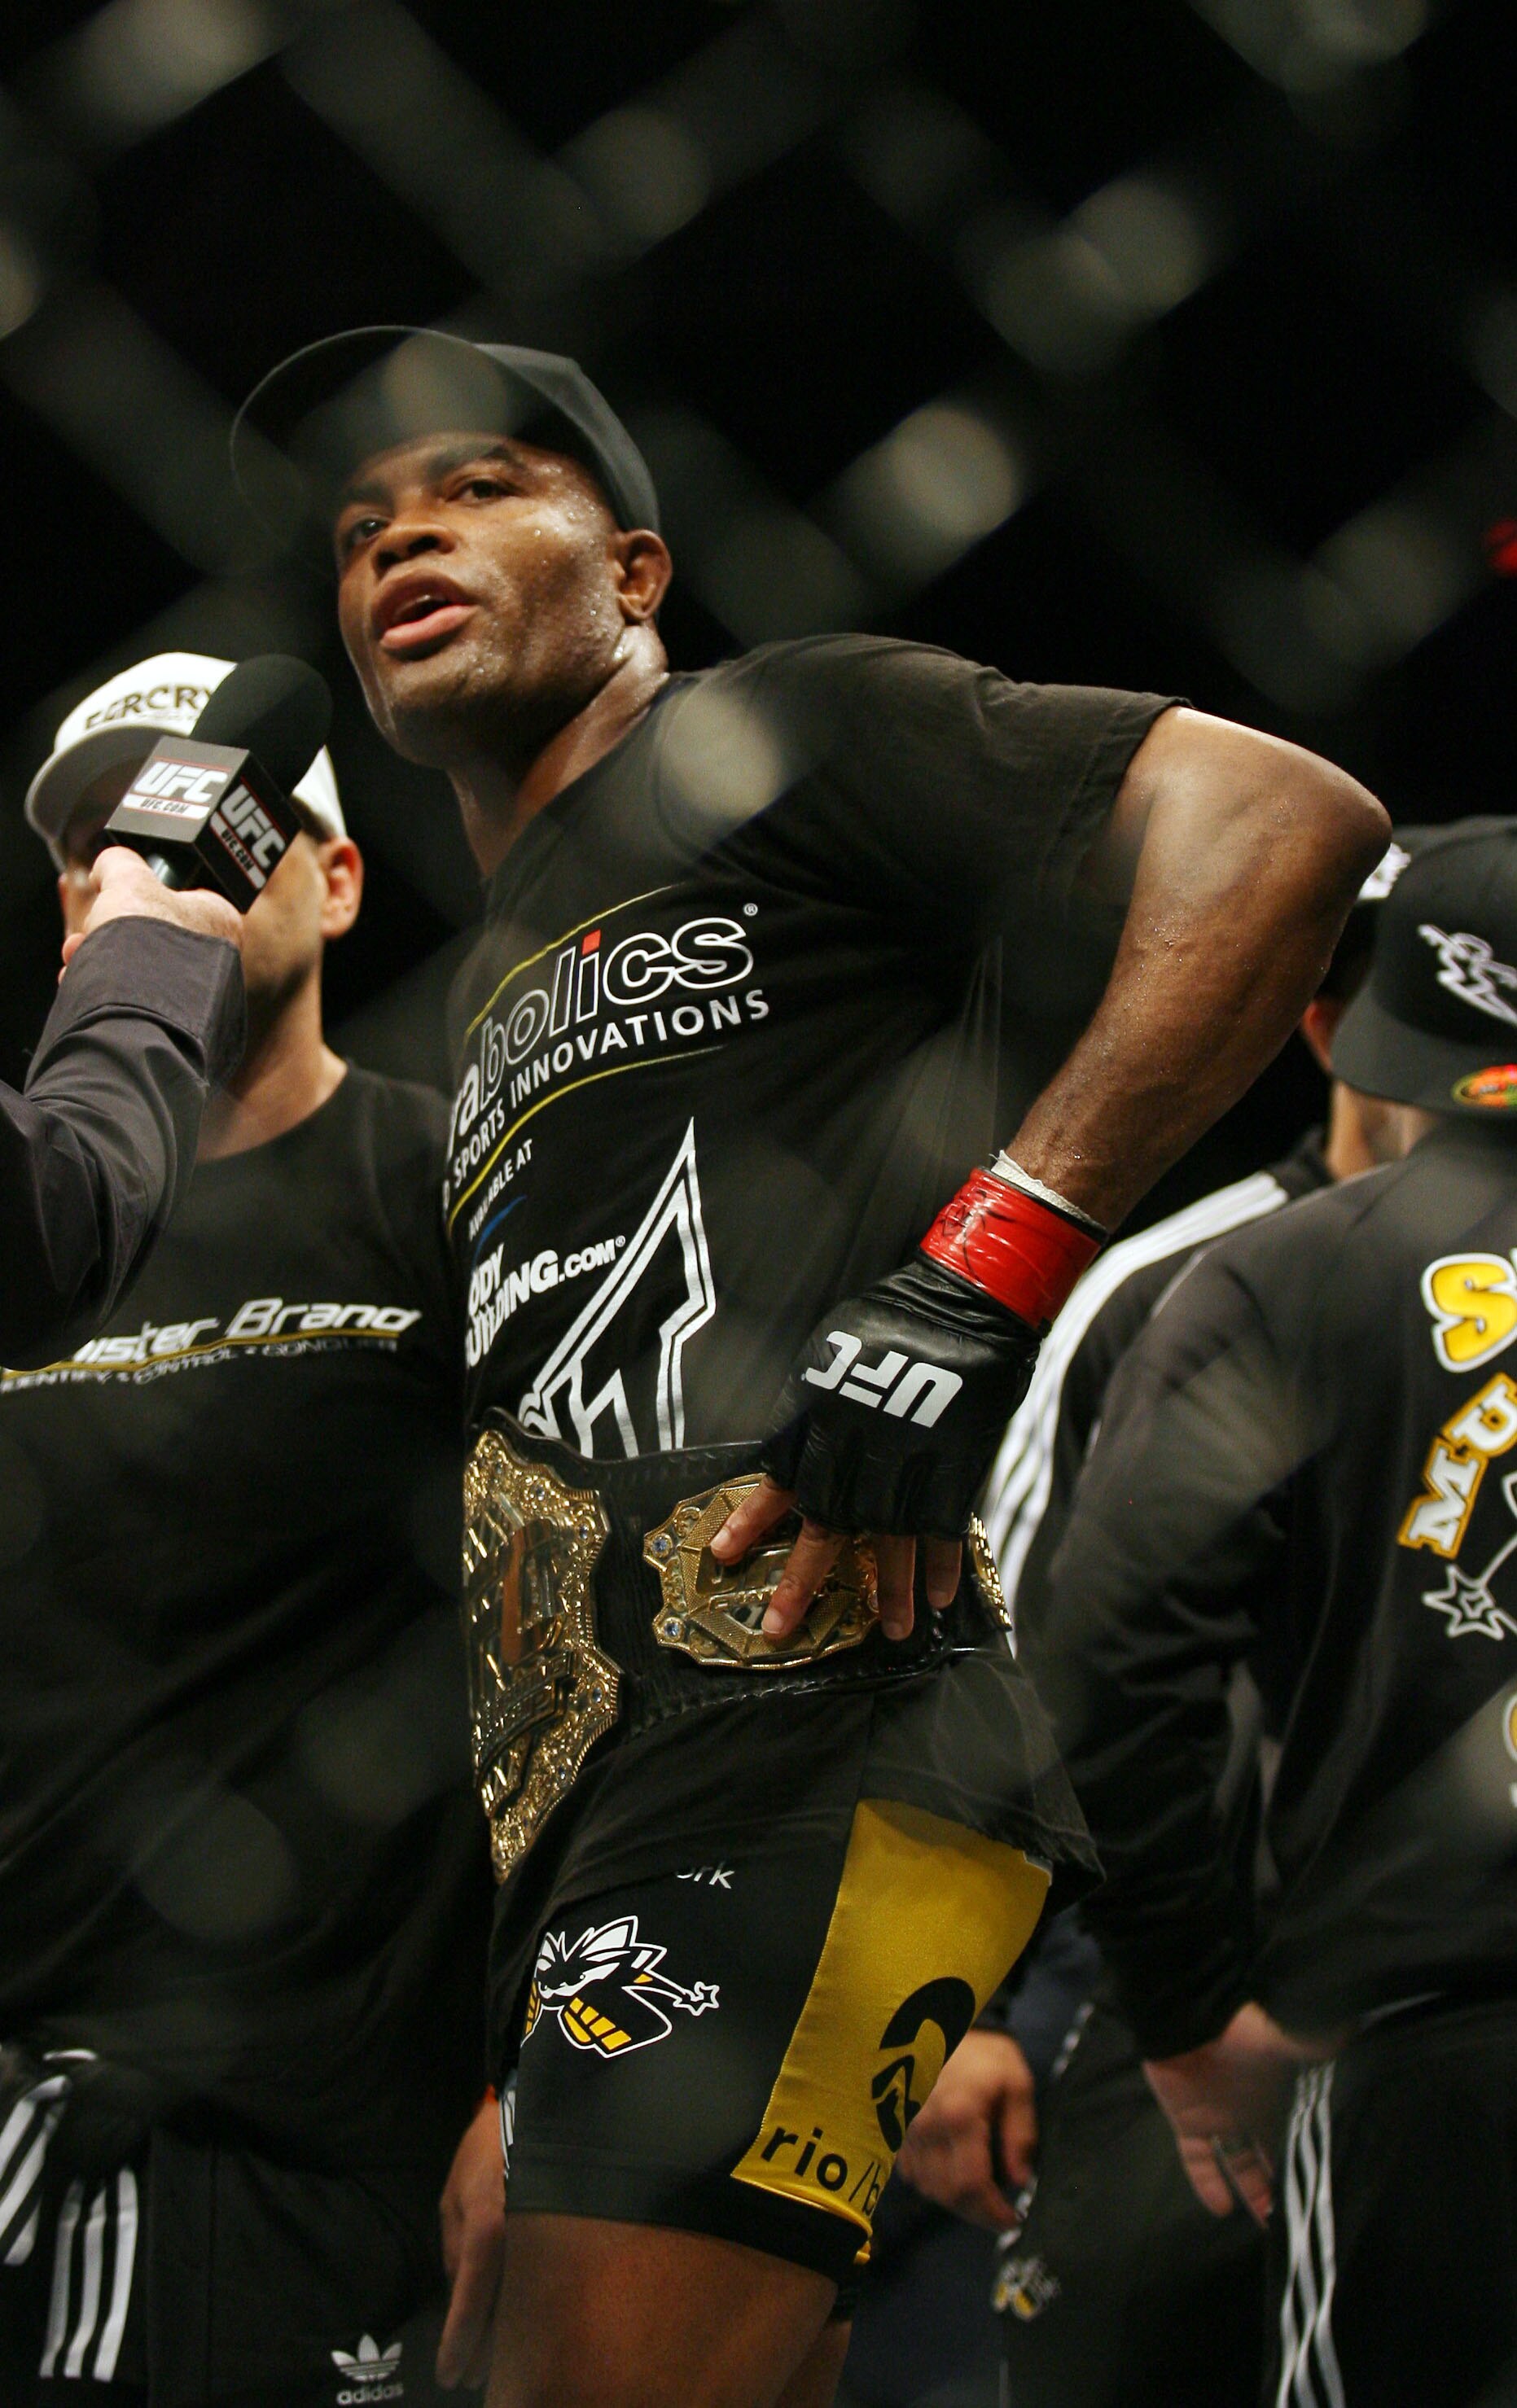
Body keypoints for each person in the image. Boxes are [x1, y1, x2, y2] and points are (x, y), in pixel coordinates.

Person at [230, 322, 1388, 2408]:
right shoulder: (480, 986)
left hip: (818, 1729)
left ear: (641, 572)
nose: (406, 533)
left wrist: (982, 1267)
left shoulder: (781, 731)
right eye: (364, 524)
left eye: (483, 486)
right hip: (605, 1821)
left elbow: (1280, 821)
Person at [0, 657, 493, 2406]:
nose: (140, 868)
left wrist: (538, 2078)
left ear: (337, 878)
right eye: (94, 848)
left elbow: (583, 1637)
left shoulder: (456, 1193)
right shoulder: (35, 1216)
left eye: (209, 821)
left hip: (296, 2130)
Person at [891, 843, 1423, 2408]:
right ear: (1325, 1029)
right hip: (1160, 1979)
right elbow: (999, 1649)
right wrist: (951, 2010)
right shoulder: (1176, 1283)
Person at [1024, 819, 1517, 2406]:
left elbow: (1102, 1666)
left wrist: (1184, 2008)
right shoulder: (1219, 1272)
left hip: (1410, 2026)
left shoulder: (1280, 1279)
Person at [0, 821, 244, 1365]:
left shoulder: (420, 1163)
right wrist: (152, 963)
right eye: (103, 850)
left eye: (210, 854)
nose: (151, 879)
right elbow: (53, 1240)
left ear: (338, 883)